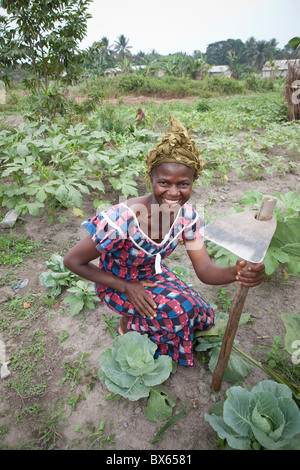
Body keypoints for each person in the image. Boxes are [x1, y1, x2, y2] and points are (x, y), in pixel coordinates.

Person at [63, 116, 265, 368]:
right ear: (151, 178)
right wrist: (126, 286)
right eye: (164, 183)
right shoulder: (123, 218)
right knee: (177, 314)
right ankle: (128, 324)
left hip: (151, 275)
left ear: (192, 184)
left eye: (183, 184)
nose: (173, 193)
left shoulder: (188, 217)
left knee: (201, 312)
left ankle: (145, 317)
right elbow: (72, 261)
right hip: (115, 282)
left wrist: (237, 273)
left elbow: (205, 271)